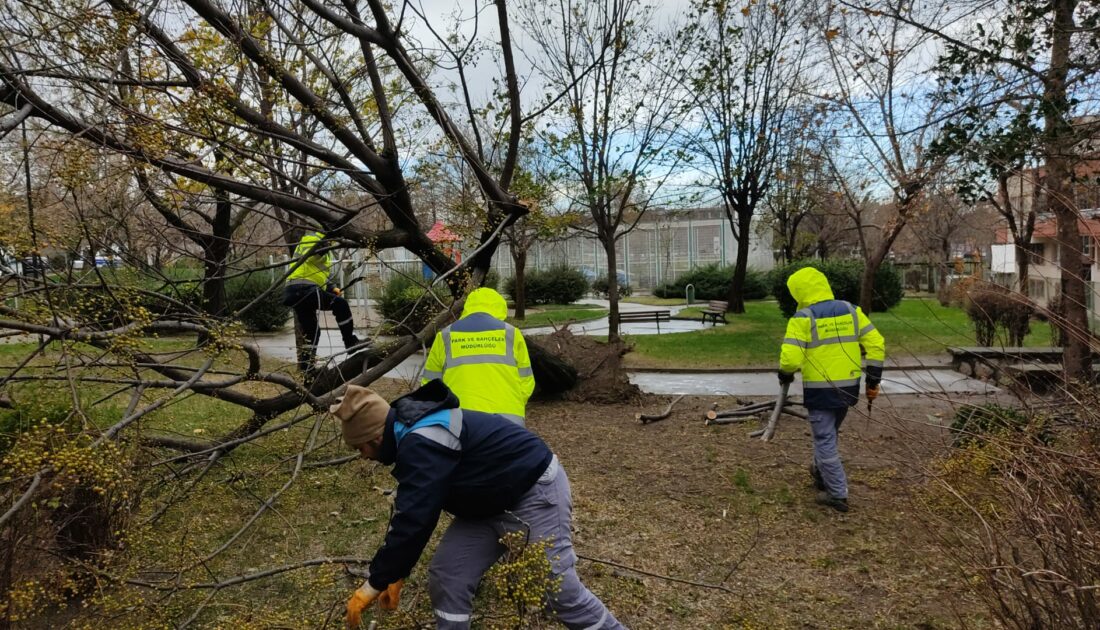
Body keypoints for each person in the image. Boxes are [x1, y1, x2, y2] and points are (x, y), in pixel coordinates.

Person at [331, 380, 625, 630]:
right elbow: (416, 508)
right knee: (449, 576)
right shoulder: (411, 432)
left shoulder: (421, 440)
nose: (363, 457)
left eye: (361, 448)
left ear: (377, 436)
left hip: (532, 491)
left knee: (557, 590)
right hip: (488, 502)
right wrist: (397, 571)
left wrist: (376, 582)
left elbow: (414, 518)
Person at [778, 267, 886, 513]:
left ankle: (837, 493)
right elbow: (876, 343)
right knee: (831, 432)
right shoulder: (852, 311)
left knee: (825, 439)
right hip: (848, 388)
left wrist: (784, 373)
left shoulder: (803, 318)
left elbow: (791, 359)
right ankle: (820, 472)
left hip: (820, 391)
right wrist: (873, 378)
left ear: (799, 292)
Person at [421, 287, 534, 426]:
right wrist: (513, 403)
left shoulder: (445, 336)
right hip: (509, 421)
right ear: (500, 307)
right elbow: (527, 382)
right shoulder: (512, 334)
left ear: (468, 307)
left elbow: (430, 385)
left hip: (459, 420)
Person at [282, 230, 360, 371]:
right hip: (304, 288)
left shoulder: (326, 249)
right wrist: (326, 242)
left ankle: (307, 370)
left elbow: (320, 275)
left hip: (296, 291)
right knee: (341, 305)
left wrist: (332, 288)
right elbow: (314, 254)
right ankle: (350, 342)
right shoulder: (312, 238)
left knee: (312, 332)